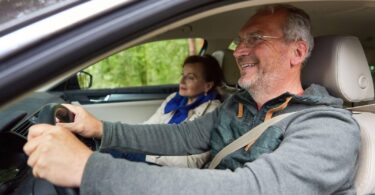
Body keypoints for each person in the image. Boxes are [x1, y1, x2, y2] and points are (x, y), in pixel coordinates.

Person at [24, 4, 360, 194]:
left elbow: (252, 190)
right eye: (239, 40)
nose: (238, 51)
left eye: (255, 39)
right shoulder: (236, 105)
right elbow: (181, 136)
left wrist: (88, 168)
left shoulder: (328, 127)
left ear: (297, 52)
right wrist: (100, 128)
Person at [110, 54, 224, 168]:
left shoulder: (213, 112)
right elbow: (149, 126)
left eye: (190, 77)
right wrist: (127, 138)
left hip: (169, 167)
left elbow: (191, 162)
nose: (182, 81)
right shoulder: (175, 99)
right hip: (152, 154)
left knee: (114, 152)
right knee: (112, 143)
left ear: (207, 86)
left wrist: (146, 152)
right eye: (182, 75)